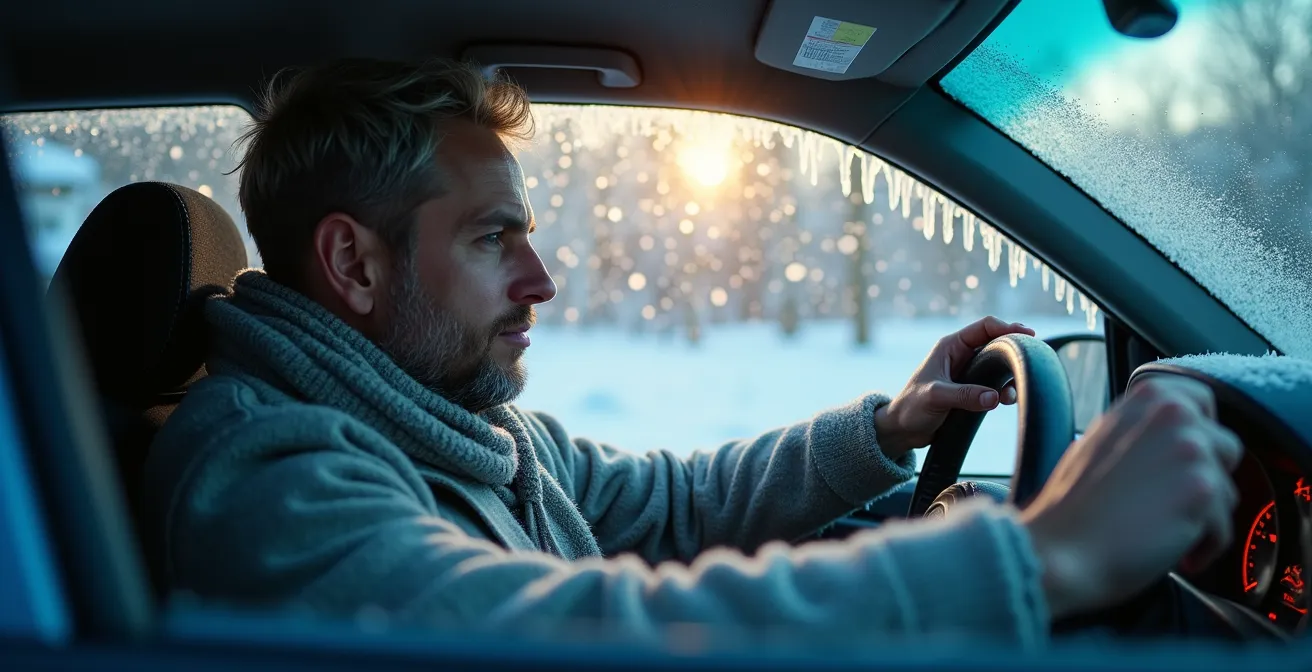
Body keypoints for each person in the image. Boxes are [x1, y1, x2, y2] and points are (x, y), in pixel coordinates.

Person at [143, 58, 1242, 648]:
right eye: (493, 240)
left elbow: (668, 507)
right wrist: (1039, 560)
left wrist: (882, 432)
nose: (541, 280)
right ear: (356, 265)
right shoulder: (270, 477)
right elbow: (553, 637)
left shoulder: (453, 424)